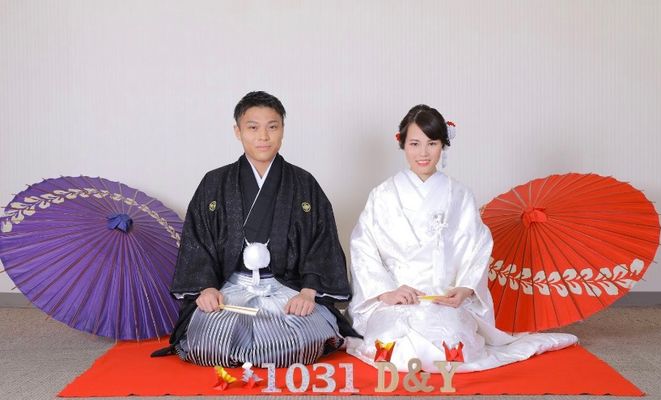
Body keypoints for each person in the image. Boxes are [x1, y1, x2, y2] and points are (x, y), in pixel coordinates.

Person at [346, 105, 577, 372]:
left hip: (443, 298)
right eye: (415, 144)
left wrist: (466, 288)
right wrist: (387, 291)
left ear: (443, 145)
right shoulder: (383, 195)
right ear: (402, 144)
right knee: (394, 347)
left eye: (432, 143)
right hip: (397, 298)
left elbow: (477, 246)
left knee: (452, 344)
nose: (423, 153)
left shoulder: (459, 195)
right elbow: (363, 246)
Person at [153, 91, 356, 367]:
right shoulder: (214, 183)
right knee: (207, 340)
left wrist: (308, 293)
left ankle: (253, 354)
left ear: (282, 130)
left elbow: (322, 243)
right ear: (237, 131)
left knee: (303, 338)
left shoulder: (304, 183)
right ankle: (259, 353)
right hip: (231, 290)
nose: (263, 136)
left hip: (287, 291)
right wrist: (207, 288)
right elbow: (198, 242)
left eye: (272, 127)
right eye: (253, 127)